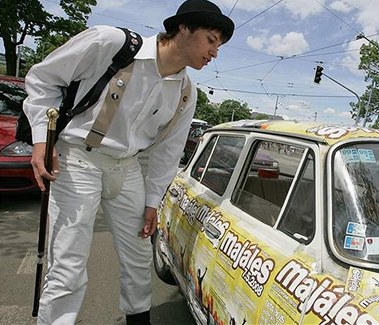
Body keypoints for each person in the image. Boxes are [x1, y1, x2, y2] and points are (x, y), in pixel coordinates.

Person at [22, 0, 234, 324]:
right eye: (211, 40)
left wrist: (153, 202)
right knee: (69, 262)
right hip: (78, 159)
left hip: (128, 168)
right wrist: (41, 138)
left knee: (138, 257)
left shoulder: (186, 93)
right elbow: (42, 79)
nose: (215, 52)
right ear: (185, 27)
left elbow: (167, 152)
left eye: (219, 46)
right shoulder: (110, 43)